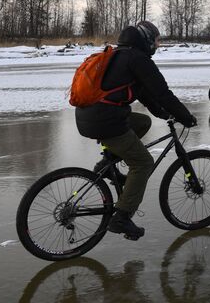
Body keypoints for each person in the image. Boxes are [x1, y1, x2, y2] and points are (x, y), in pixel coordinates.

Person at [75, 20, 197, 240]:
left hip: (87, 116)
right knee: (143, 164)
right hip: (105, 120)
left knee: (142, 122)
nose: (158, 45)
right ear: (147, 39)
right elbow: (163, 94)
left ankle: (108, 161)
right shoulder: (139, 60)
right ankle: (121, 218)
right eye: (157, 40)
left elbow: (147, 96)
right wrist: (185, 116)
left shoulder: (120, 55)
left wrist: (164, 114)